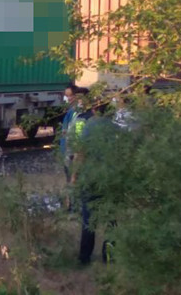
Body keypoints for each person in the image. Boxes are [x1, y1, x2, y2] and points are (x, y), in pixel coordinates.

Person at [70, 102, 115, 265]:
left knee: (88, 219)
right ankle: (109, 257)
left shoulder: (89, 126)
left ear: (95, 110)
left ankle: (84, 257)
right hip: (110, 179)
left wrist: (74, 176)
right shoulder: (116, 128)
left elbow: (80, 152)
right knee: (111, 219)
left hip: (90, 178)